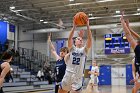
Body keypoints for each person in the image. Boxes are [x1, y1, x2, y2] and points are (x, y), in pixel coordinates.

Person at [58, 18, 92, 93]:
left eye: (81, 39)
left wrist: (87, 26)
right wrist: (74, 27)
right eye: (78, 39)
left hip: (78, 77)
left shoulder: (84, 50)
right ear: (75, 42)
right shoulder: (72, 49)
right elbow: (69, 38)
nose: (80, 40)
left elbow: (90, 39)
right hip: (68, 75)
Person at [120, 12, 140, 93]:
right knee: (135, 88)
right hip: (138, 75)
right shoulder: (137, 50)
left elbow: (128, 35)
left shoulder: (137, 48)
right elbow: (129, 35)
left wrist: (123, 23)